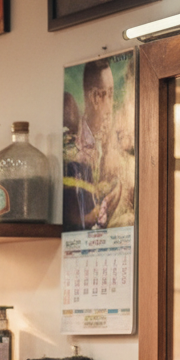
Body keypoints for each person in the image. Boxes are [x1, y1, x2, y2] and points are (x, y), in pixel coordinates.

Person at [64, 59, 122, 231]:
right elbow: (76, 214)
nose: (113, 104)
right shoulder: (72, 151)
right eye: (110, 95)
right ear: (96, 98)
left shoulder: (111, 144)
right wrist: (105, 207)